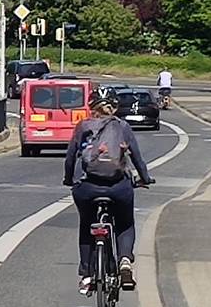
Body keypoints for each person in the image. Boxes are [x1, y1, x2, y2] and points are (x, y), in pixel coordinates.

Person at [64, 94, 154, 294]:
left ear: (91, 107)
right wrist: (145, 178)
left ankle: (87, 274)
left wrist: (69, 179)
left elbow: (70, 158)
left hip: (86, 187)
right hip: (118, 186)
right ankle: (124, 261)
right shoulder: (122, 127)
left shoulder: (82, 126)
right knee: (125, 223)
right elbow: (137, 158)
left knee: (87, 225)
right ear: (114, 108)